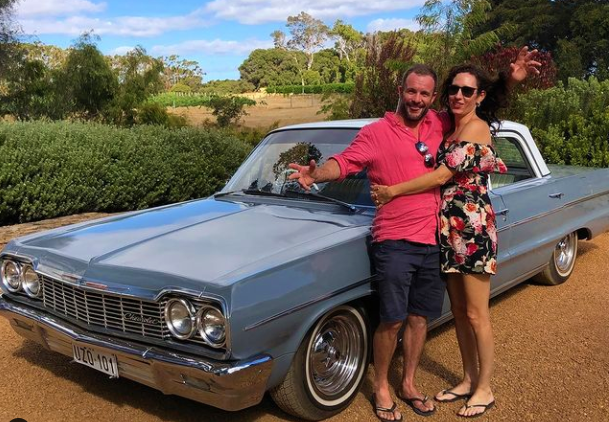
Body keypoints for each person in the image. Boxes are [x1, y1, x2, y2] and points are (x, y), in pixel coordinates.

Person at [289, 48, 539, 422]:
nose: (419, 99)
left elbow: (475, 111)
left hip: (451, 235)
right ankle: (393, 387)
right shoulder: (385, 131)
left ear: (431, 97)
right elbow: (343, 162)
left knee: (443, 316)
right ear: (401, 90)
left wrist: (509, 80)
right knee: (402, 318)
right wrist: (315, 174)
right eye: (412, 92)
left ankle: (444, 385)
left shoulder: (447, 124)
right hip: (407, 237)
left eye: (426, 93)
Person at [370, 61, 534, 418]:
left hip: (472, 229)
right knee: (459, 312)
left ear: (479, 96)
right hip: (448, 229)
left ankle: (485, 388)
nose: (458, 95)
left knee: (477, 314)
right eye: (454, 89)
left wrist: (391, 191)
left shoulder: (474, 129)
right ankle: (467, 378)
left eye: (467, 91)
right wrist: (508, 78)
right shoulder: (452, 123)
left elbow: (442, 174)